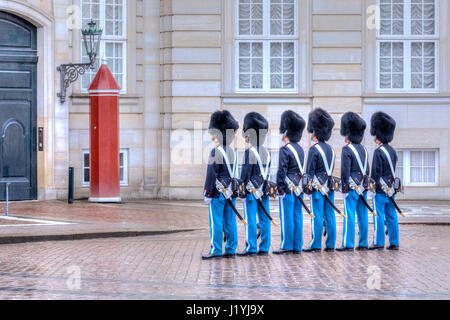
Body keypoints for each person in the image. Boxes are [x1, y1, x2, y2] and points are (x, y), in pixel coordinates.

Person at [202, 110, 240, 260]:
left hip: (218, 193)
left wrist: (207, 192)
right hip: (230, 192)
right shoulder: (232, 152)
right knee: (230, 221)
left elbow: (211, 174)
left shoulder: (215, 151)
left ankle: (216, 249)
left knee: (216, 221)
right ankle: (231, 249)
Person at [303, 108, 336, 253]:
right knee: (329, 216)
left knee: (316, 216)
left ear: (315, 132)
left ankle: (316, 244)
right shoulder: (331, 149)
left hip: (317, 188)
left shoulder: (314, 149)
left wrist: (307, 188)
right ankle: (330, 244)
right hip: (329, 187)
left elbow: (309, 171)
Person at [238, 112, 271, 256]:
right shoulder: (267, 152)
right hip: (264, 190)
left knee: (250, 219)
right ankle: (264, 247)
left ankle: (251, 247)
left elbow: (245, 175)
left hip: (251, 192)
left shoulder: (249, 152)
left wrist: (242, 191)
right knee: (264, 219)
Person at [274, 110, 306, 255]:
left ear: (286, 132)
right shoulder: (300, 149)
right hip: (298, 188)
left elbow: (282, 170)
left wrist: (279, 187)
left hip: (287, 188)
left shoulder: (285, 150)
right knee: (297, 216)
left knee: (287, 217)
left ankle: (287, 245)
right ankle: (297, 246)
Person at [337, 112, 370, 252]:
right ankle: (363, 243)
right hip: (363, 186)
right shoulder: (364, 149)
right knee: (363, 215)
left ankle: (348, 243)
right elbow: (367, 169)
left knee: (349, 214)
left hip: (351, 187)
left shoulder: (347, 149)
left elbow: (345, 171)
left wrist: (344, 188)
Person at [369, 111, 399, 251]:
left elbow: (376, 173)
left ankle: (379, 242)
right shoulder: (392, 151)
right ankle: (394, 242)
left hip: (380, 189)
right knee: (392, 216)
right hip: (391, 188)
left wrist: (372, 189)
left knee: (379, 216)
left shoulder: (379, 151)